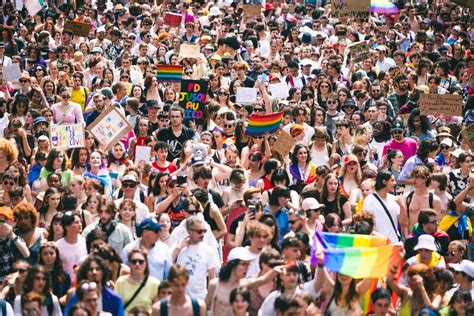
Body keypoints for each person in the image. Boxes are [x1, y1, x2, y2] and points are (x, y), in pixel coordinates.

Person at [173, 216, 220, 300]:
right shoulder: (180, 247)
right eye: (199, 231)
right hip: (181, 300)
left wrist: (209, 300)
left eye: (204, 231)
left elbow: (212, 279)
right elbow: (169, 266)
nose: (202, 234)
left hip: (200, 299)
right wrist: (178, 248)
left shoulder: (208, 250)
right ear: (189, 231)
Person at [363, 170, 408, 242]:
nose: (395, 183)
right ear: (384, 182)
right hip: (378, 244)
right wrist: (382, 240)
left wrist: (402, 206)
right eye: (392, 180)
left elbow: (404, 224)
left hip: (394, 243)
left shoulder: (394, 199)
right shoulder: (369, 200)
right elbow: (368, 225)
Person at [115, 248, 160, 314]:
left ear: (146, 263)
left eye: (141, 261)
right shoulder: (120, 282)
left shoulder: (155, 283)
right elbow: (116, 306)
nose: (137, 264)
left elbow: (157, 309)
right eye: (134, 261)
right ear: (129, 264)